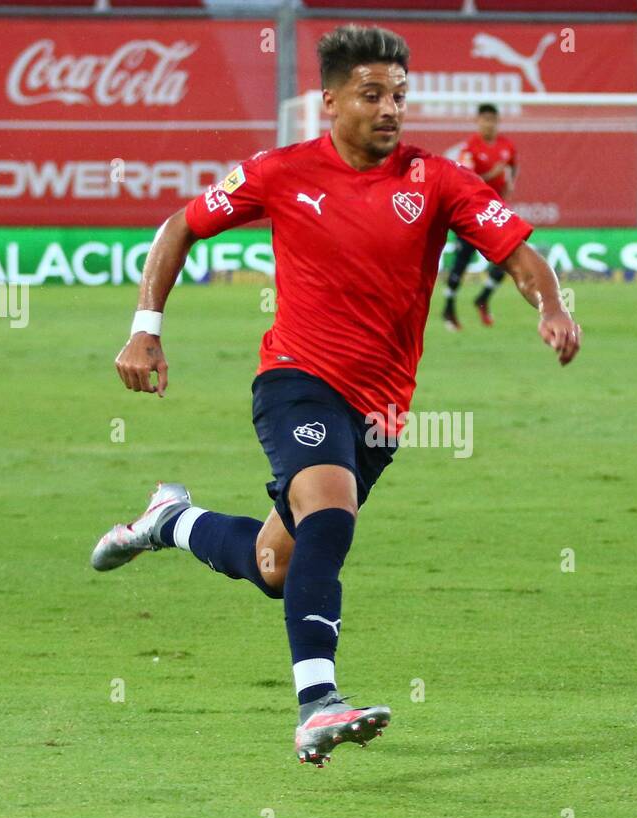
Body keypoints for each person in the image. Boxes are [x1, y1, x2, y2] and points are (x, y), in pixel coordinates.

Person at [89, 25, 581, 767]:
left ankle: (169, 521)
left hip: (382, 410)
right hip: (296, 379)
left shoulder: (438, 181)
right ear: (330, 101)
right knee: (329, 516)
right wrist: (144, 329)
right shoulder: (280, 171)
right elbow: (178, 228)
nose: (391, 109)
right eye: (372, 94)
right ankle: (318, 701)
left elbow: (517, 253)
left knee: (276, 566)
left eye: (399, 96)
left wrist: (549, 304)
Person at [442, 103, 519, 330]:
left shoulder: (507, 146)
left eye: (492, 120)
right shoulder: (470, 148)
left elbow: (513, 167)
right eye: (484, 120)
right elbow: (466, 181)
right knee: (461, 262)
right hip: (472, 214)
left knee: (507, 261)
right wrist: (490, 175)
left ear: (497, 122)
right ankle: (449, 308)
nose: (488, 124)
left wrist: (509, 183)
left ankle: (483, 298)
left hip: (495, 214)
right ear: (478, 122)